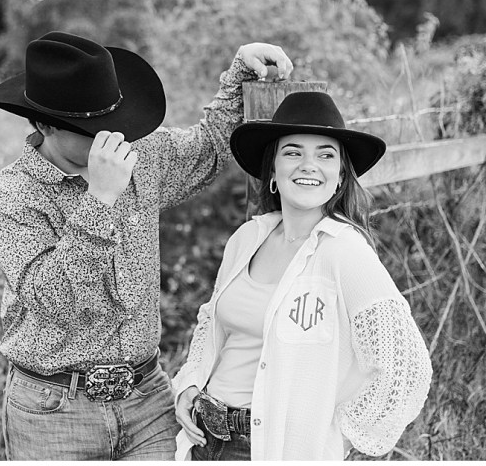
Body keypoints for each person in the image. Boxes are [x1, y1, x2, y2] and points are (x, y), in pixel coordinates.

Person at [0, 31, 293, 461]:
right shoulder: (15, 196)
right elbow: (54, 300)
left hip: (147, 397)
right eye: (90, 127)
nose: (114, 135)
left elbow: (210, 146)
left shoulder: (138, 154)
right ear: (44, 124)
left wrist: (239, 72)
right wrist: (100, 200)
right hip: (54, 410)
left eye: (114, 118)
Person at [172, 91, 433, 461]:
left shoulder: (344, 252)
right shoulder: (248, 238)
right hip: (203, 438)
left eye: (325, 155)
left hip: (269, 447)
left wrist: (335, 438)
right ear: (274, 169)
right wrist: (189, 385)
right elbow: (210, 324)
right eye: (293, 152)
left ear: (340, 175)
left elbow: (405, 368)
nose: (308, 165)